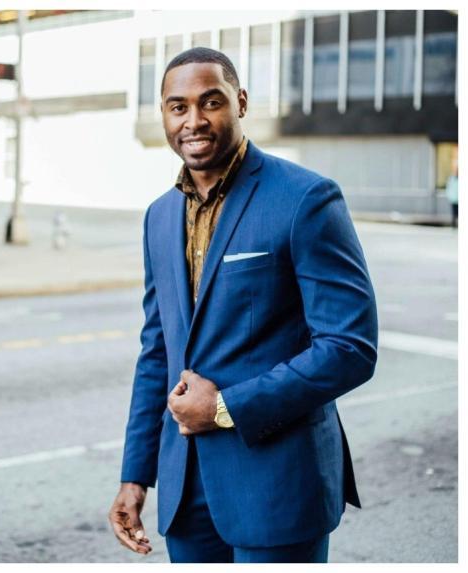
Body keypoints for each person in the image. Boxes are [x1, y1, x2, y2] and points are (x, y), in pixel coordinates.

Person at [108, 47, 378, 563]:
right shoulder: (159, 217)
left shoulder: (305, 198)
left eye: (211, 102)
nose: (194, 121)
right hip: (186, 489)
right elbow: (158, 352)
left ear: (241, 103)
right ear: (163, 114)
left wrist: (227, 407)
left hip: (277, 484)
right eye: (178, 107)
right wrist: (136, 474)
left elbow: (350, 347)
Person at [445, 152, 458, 228]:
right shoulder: (451, 179)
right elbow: (449, 188)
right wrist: (449, 196)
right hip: (453, 199)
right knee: (454, 213)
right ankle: (454, 225)